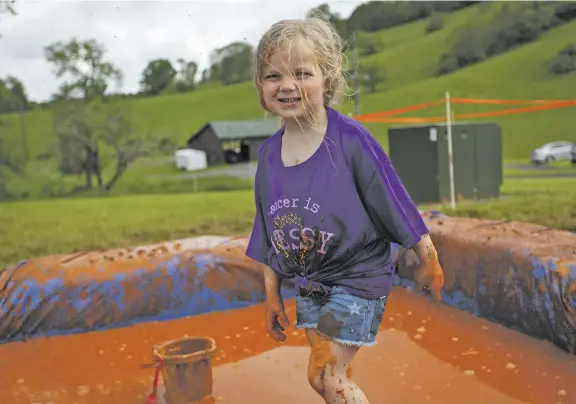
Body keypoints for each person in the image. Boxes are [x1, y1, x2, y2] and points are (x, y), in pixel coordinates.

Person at [244, 13, 445, 404]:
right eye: (273, 76)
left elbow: (394, 200)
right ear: (260, 85)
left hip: (356, 280)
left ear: (327, 80)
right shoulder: (269, 156)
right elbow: (267, 230)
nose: (287, 85)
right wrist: (272, 296)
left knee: (325, 372)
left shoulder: (350, 140)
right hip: (310, 283)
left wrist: (429, 259)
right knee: (324, 381)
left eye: (302, 73)